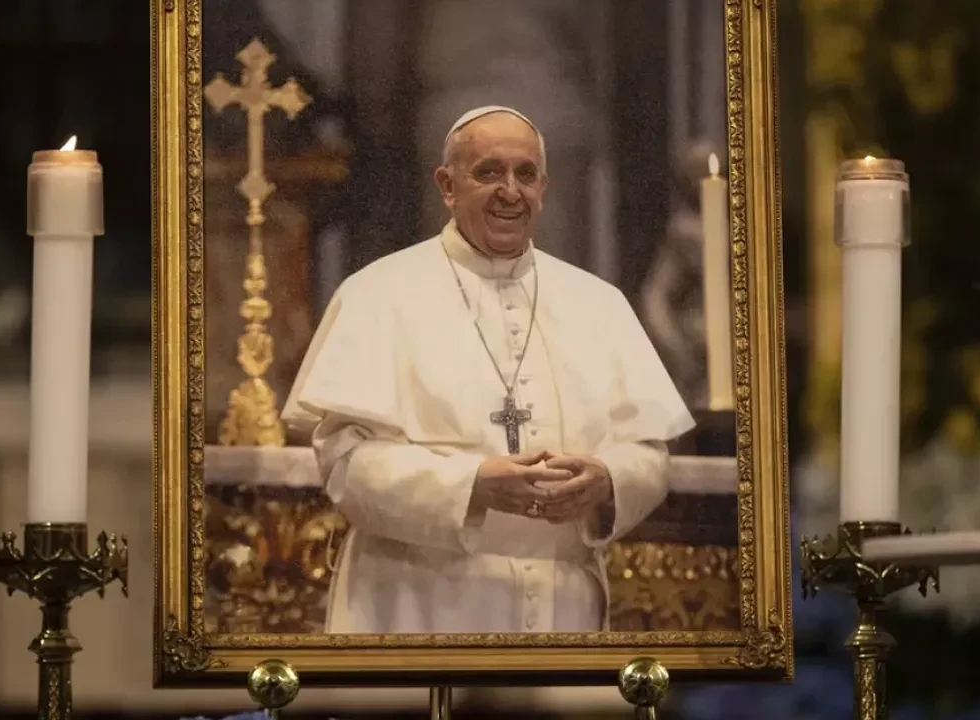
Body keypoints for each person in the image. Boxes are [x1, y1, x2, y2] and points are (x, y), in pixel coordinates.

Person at [281, 106, 695, 634]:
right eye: (488, 172)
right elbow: (345, 467)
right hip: (414, 603)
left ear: (543, 187)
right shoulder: (376, 295)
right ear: (447, 185)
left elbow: (649, 454)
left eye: (526, 174)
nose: (510, 191)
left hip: (561, 608)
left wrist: (608, 479)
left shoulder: (599, 303)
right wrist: (472, 483)